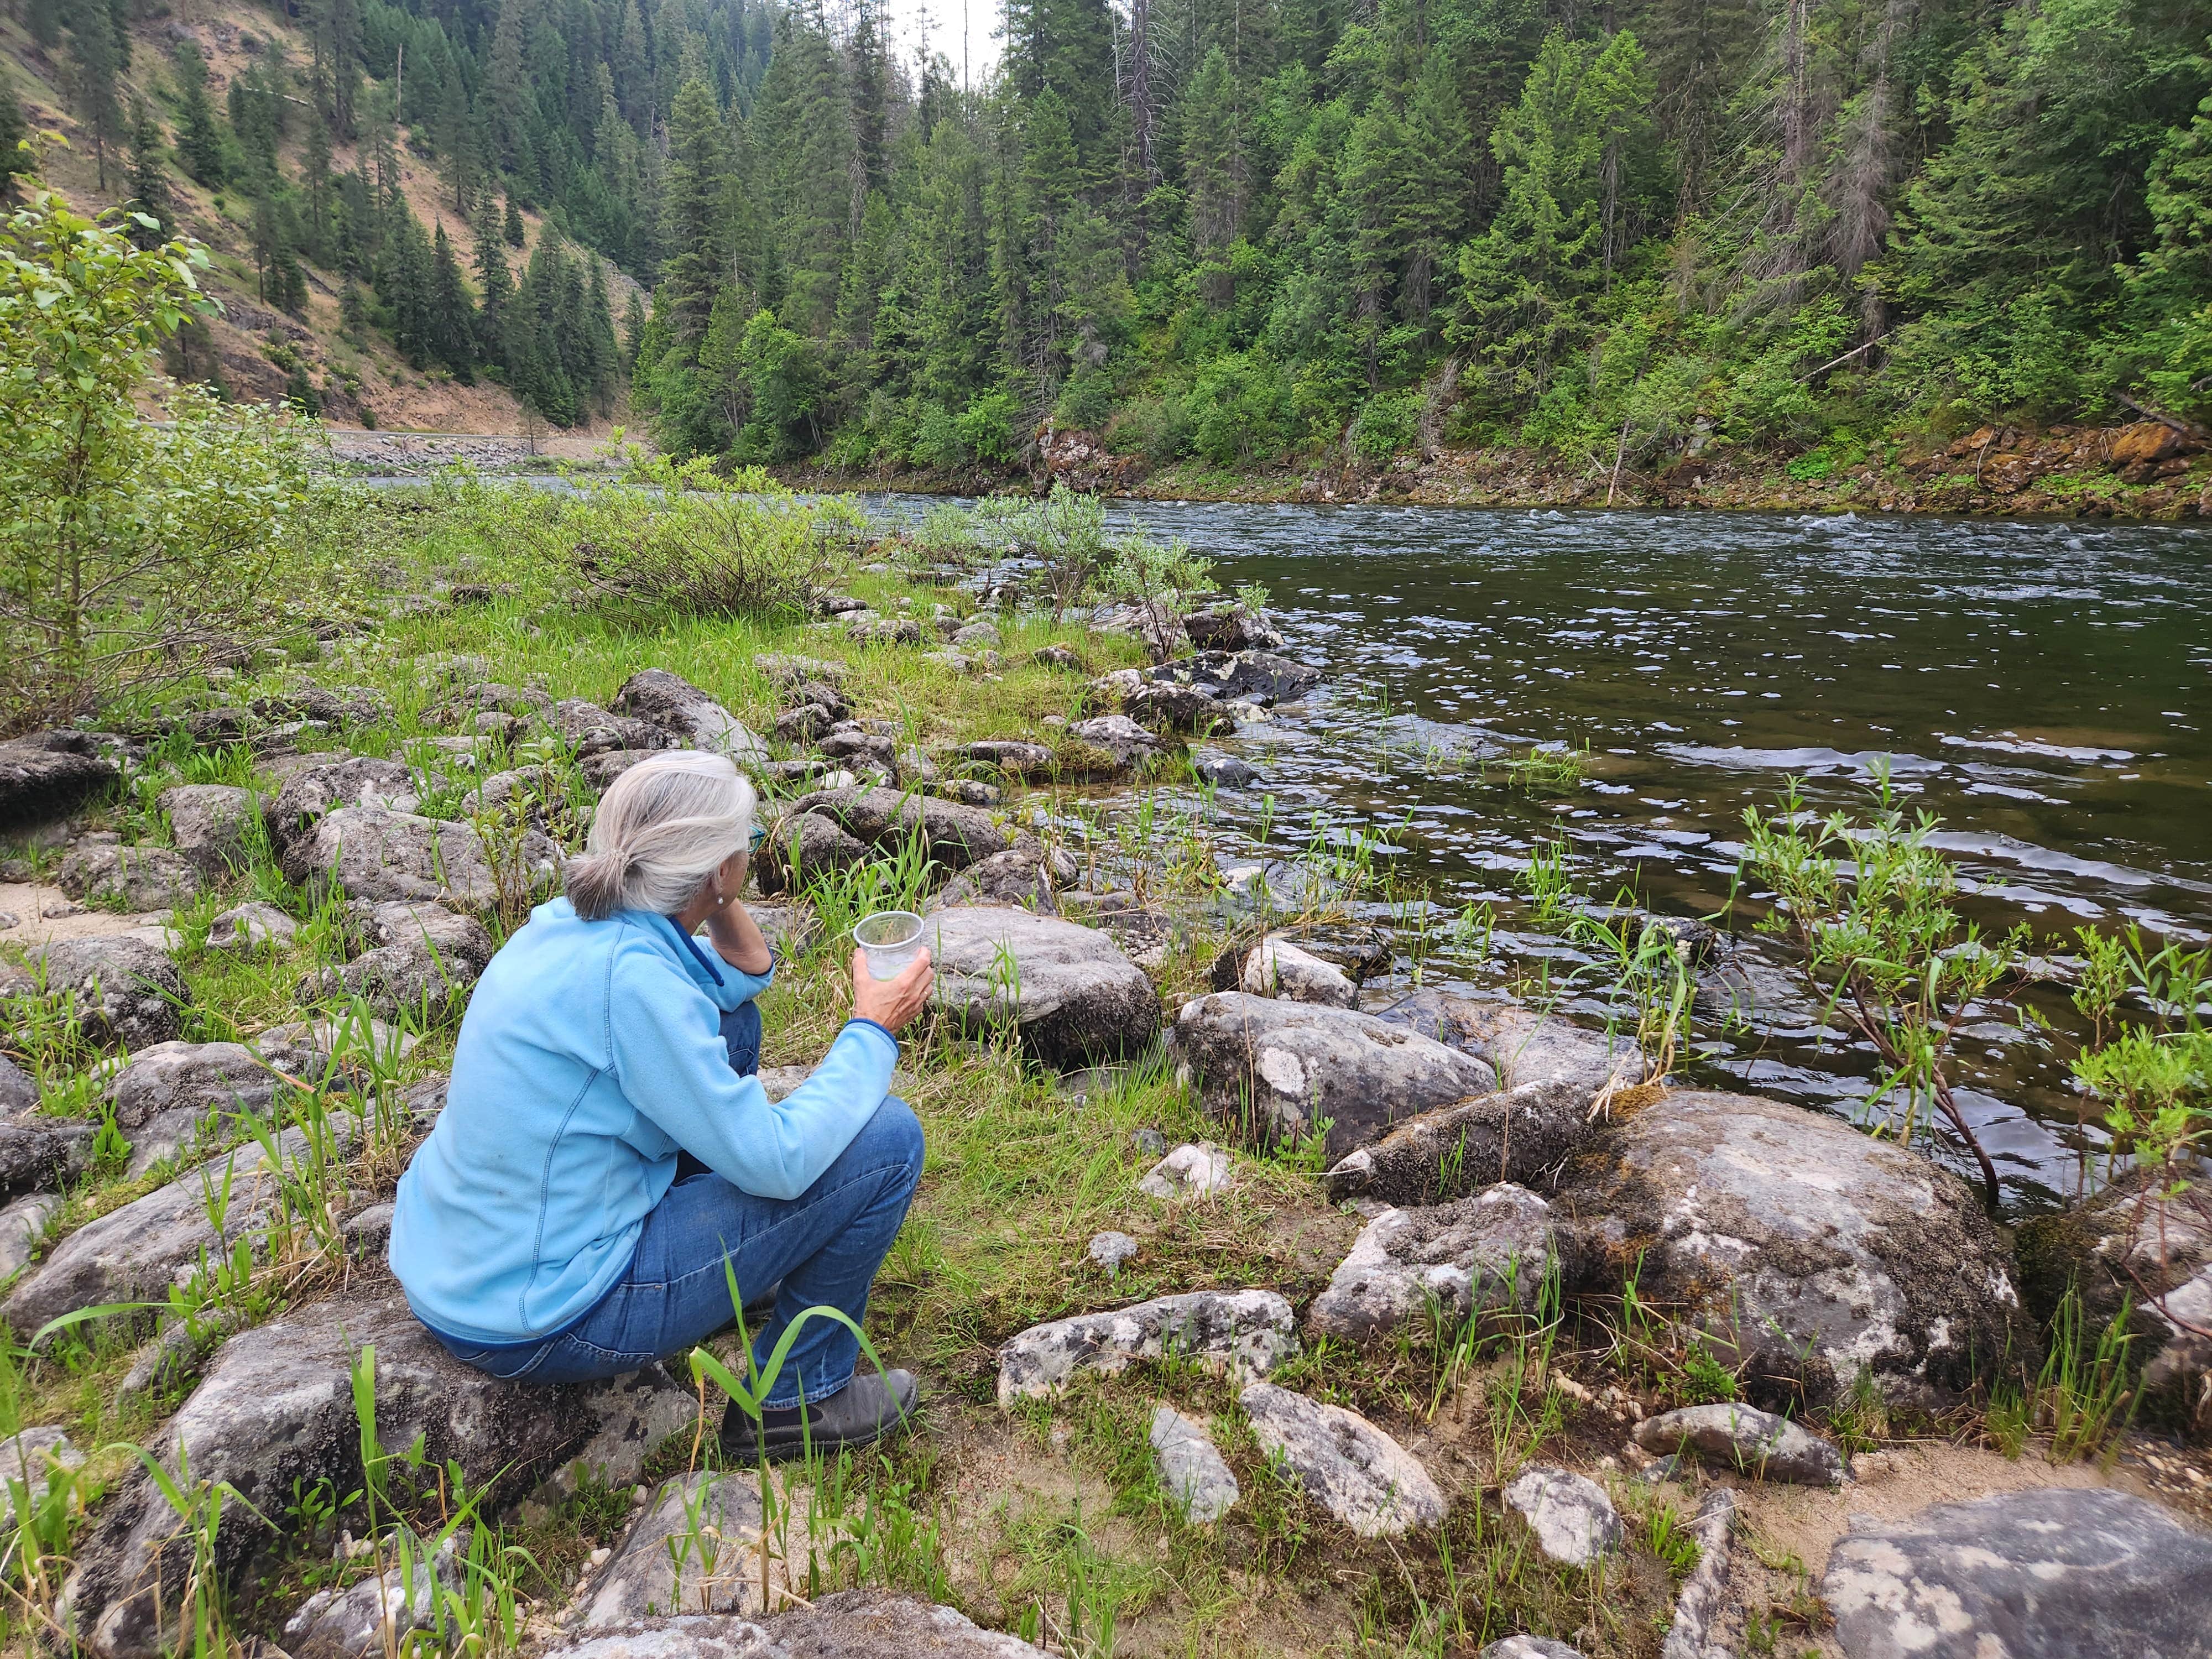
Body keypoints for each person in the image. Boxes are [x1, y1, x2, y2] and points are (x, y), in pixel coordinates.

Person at [389, 749, 933, 1462]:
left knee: (733, 1028)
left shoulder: (568, 923)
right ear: (715, 868)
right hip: (549, 1312)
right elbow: (777, 1162)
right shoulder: (635, 984)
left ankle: (741, 1268)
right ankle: (796, 1396)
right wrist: (872, 1031)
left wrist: (715, 887)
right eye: (749, 842)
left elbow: (743, 977)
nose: (754, 849)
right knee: (887, 1141)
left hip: (471, 1264)